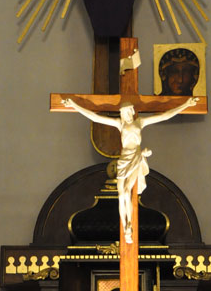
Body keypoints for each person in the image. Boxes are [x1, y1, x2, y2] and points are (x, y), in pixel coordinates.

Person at [62, 96, 197, 242]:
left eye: (127, 112)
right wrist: (74, 105)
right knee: (121, 194)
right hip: (123, 161)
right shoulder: (119, 124)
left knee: (127, 190)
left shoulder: (140, 122)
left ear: (132, 111)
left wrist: (185, 105)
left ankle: (129, 225)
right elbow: (95, 117)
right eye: (123, 112)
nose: (125, 115)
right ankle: (125, 224)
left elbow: (164, 116)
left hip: (135, 158)